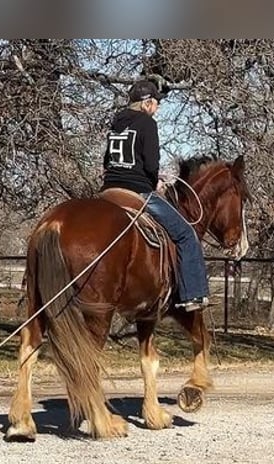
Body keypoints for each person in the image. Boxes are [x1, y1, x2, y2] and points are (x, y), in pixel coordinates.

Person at [101, 79, 209, 312]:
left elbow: (107, 160)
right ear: (147, 103)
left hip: (109, 189)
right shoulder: (147, 124)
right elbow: (151, 164)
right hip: (137, 190)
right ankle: (193, 295)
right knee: (186, 234)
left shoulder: (117, 122)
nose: (157, 108)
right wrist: (156, 181)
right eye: (156, 103)